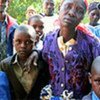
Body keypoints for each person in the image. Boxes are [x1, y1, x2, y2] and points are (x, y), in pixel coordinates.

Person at [41, 0, 100, 99]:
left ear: (82, 17)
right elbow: (43, 66)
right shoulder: (48, 39)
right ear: (59, 8)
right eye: (68, 6)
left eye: (79, 10)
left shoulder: (92, 44)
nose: (72, 13)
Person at [0, 24, 50, 100]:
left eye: (28, 42)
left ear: (35, 42)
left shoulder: (43, 63)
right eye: (18, 41)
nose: (22, 46)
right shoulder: (5, 65)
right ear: (13, 42)